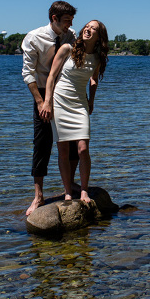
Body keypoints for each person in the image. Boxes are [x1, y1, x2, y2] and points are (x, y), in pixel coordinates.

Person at [40, 20, 109, 203]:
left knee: (83, 148)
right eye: (87, 26)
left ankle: (84, 190)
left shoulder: (97, 58)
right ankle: (68, 191)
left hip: (80, 104)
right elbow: (52, 77)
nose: (88, 29)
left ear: (99, 36)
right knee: (63, 150)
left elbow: (94, 80)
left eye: (93, 28)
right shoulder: (67, 49)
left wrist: (91, 100)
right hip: (60, 100)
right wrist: (47, 102)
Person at [21, 0, 79, 216]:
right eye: (66, 21)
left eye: (71, 21)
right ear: (53, 19)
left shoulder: (70, 35)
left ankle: (70, 185)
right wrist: (40, 102)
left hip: (65, 93)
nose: (69, 25)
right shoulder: (34, 38)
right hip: (43, 92)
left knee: (71, 140)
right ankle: (38, 195)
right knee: (42, 143)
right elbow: (28, 73)